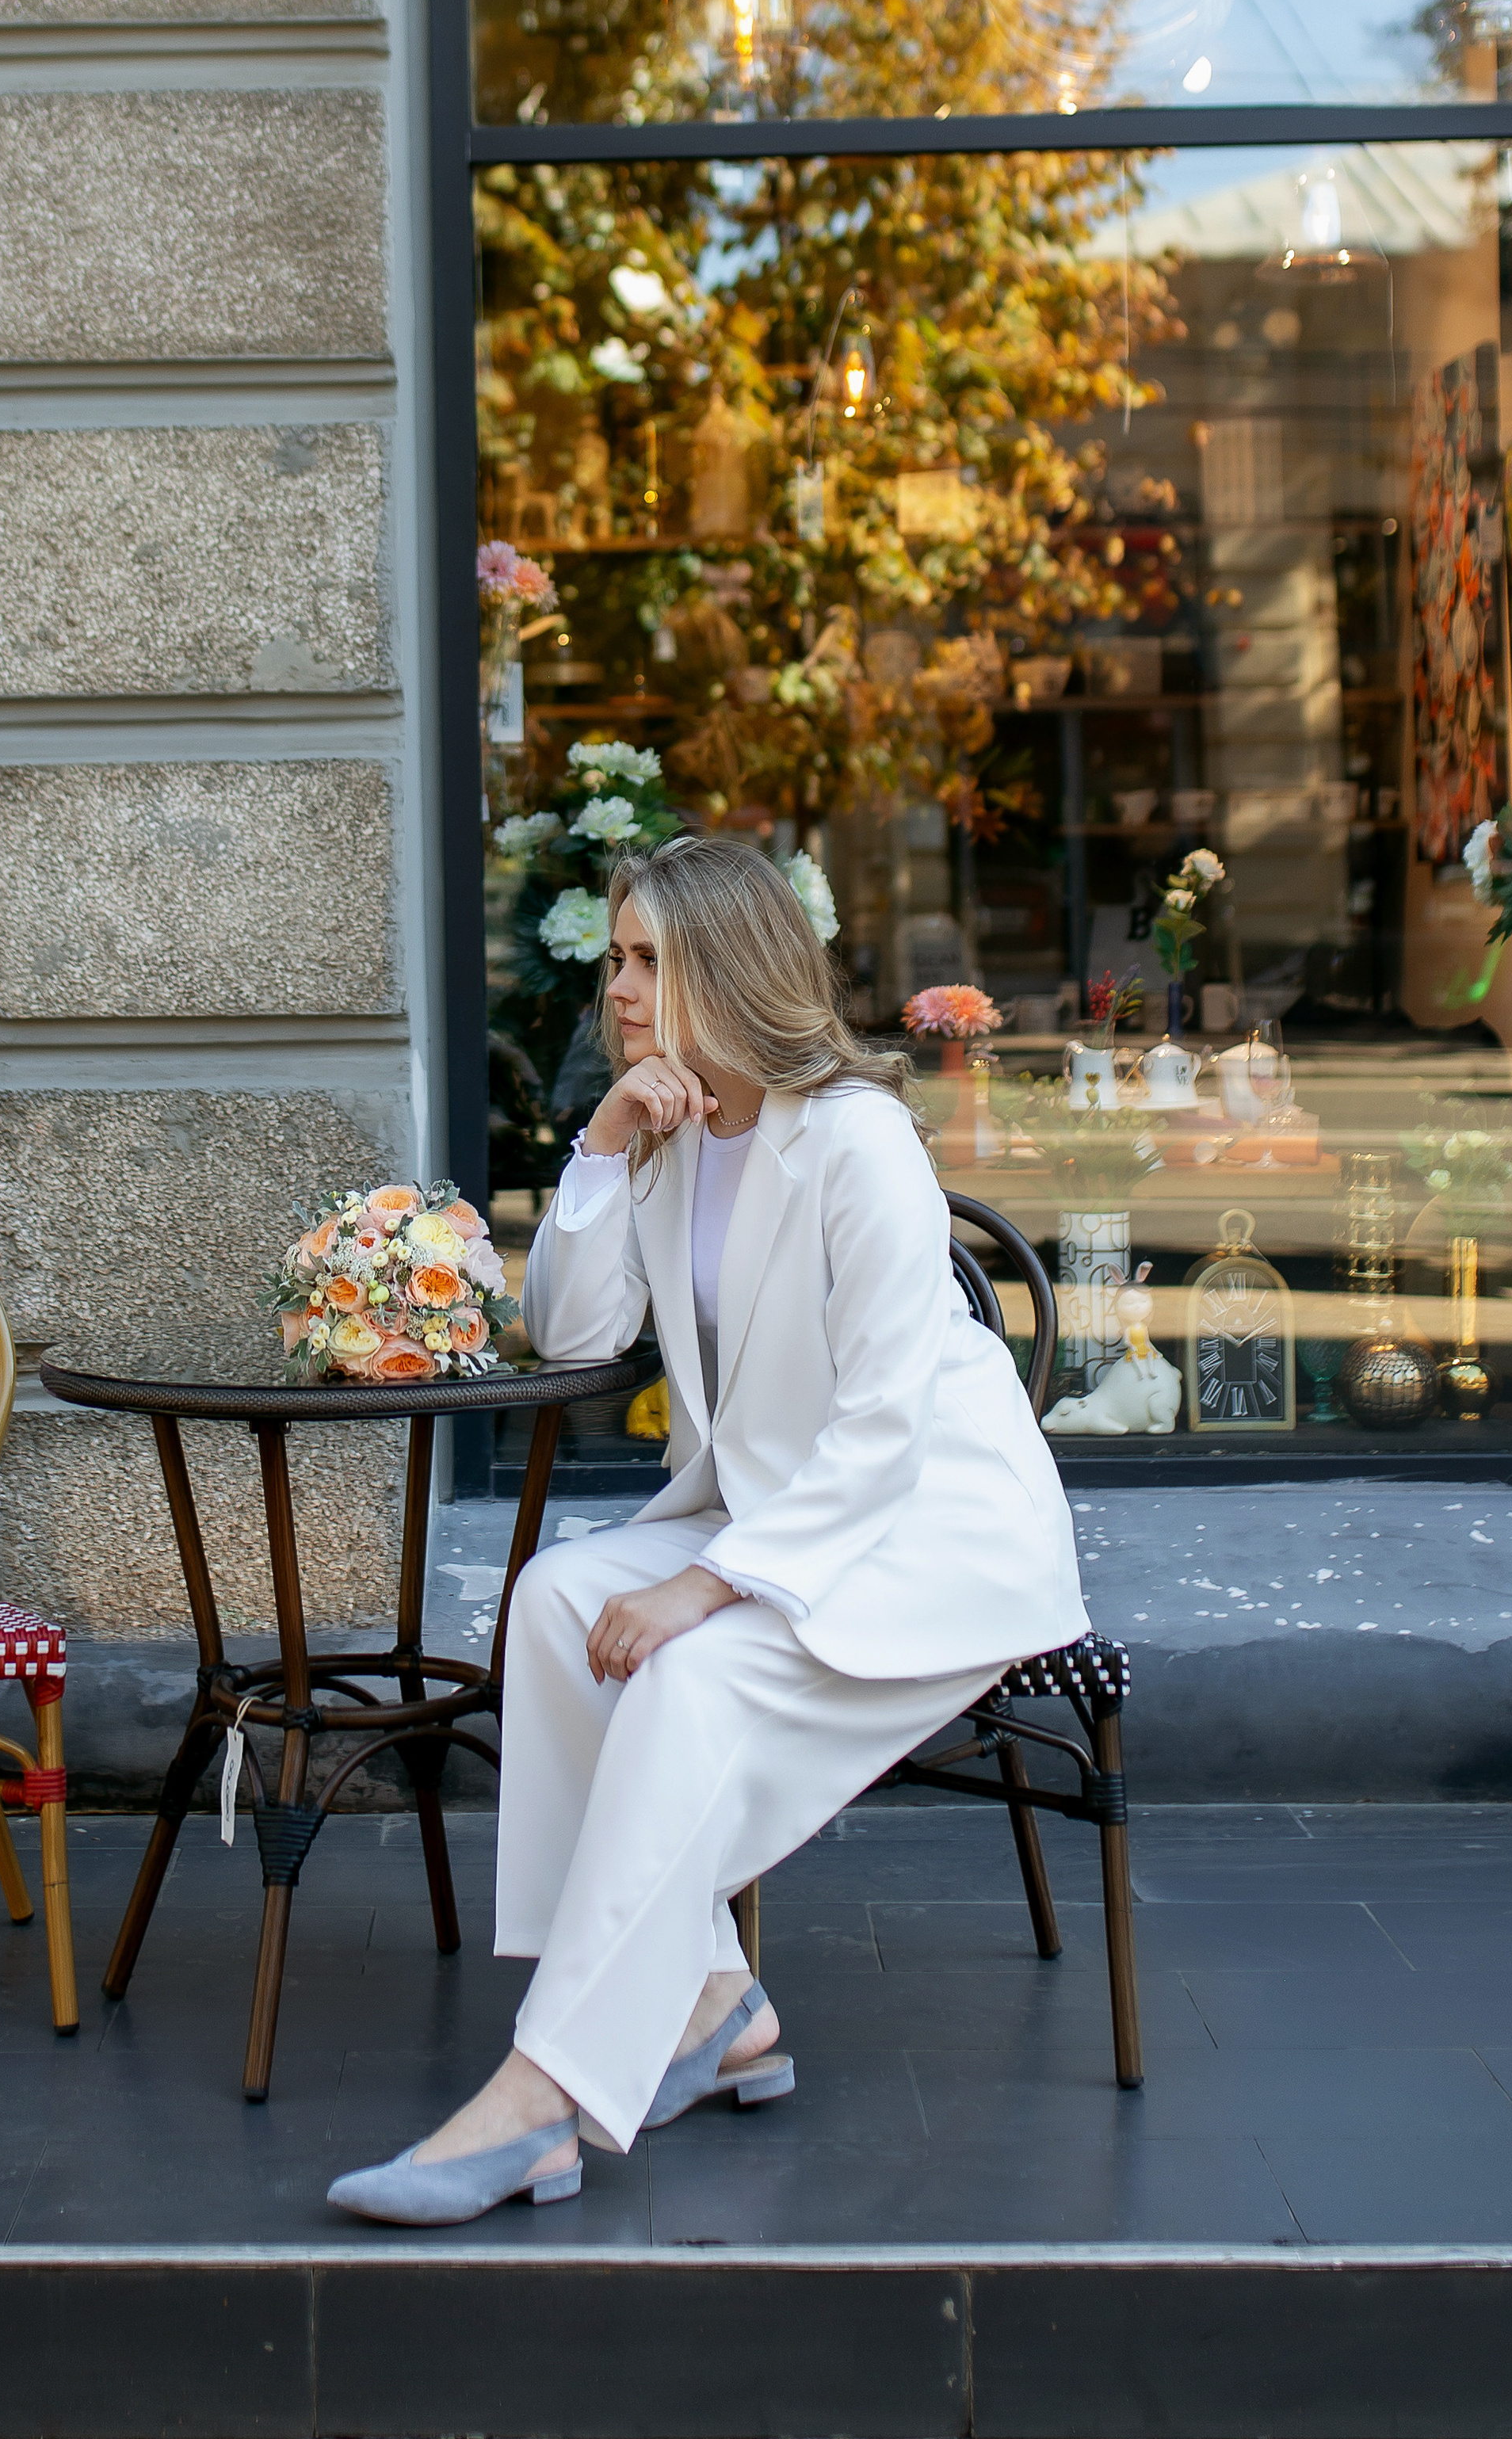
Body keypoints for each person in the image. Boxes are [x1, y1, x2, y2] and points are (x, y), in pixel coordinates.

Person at [328, 834, 1086, 2225]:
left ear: (728, 971)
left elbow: (884, 1426)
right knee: (556, 1601)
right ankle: (714, 2002)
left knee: (683, 1672)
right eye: (615, 959)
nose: (618, 987)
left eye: (649, 961)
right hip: (776, 1510)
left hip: (923, 1538)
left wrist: (711, 1587)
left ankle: (542, 2099)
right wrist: (605, 1146)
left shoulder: (856, 1138)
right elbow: (571, 1332)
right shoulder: (674, 1134)